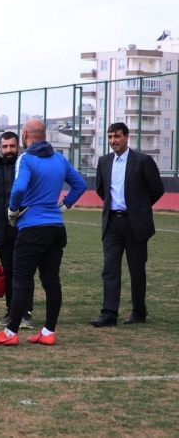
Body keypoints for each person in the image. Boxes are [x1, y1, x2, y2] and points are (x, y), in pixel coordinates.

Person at [0, 119, 86, 346]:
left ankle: (10, 334)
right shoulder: (60, 159)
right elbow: (80, 185)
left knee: (21, 281)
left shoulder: (26, 159)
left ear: (25, 134)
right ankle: (48, 332)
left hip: (31, 229)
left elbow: (19, 188)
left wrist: (12, 211)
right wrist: (64, 205)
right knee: (51, 281)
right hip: (56, 228)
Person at [89, 122, 164, 327]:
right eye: (110, 136)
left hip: (135, 224)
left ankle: (139, 312)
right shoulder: (104, 161)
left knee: (136, 270)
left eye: (117, 136)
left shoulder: (142, 161)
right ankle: (109, 314)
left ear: (127, 137)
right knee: (110, 269)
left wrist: (139, 207)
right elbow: (101, 190)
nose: (113, 140)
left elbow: (157, 189)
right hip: (112, 223)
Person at [0, 132, 34, 329]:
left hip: (23, 229)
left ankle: (26, 314)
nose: (9, 150)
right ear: (0, 148)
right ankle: (12, 311)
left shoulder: (25, 169)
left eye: (12, 146)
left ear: (18, 147)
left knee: (24, 272)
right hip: (1, 231)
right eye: (5, 147)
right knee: (9, 273)